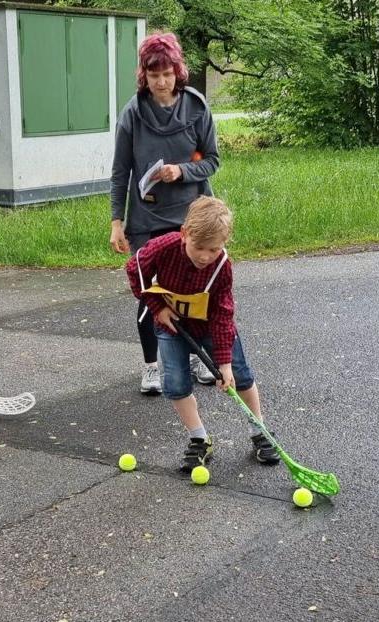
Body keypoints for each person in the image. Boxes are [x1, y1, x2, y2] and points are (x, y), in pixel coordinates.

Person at [126, 196, 279, 473]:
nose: (205, 256)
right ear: (184, 234)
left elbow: (223, 313)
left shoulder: (222, 266)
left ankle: (260, 430)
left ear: (224, 244)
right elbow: (134, 268)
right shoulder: (163, 248)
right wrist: (157, 307)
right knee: (175, 383)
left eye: (214, 249)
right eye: (199, 247)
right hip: (172, 326)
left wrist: (223, 362)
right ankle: (200, 439)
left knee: (240, 376)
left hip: (210, 326)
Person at [109, 32, 220, 396]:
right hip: (146, 222)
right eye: (154, 75)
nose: (161, 81)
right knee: (149, 294)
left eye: (167, 74)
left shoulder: (196, 107)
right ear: (144, 75)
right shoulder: (133, 113)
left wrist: (181, 171)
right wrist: (116, 222)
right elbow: (120, 170)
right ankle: (151, 366)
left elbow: (212, 162)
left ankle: (193, 357)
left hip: (191, 217)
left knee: (193, 292)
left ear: (177, 71)